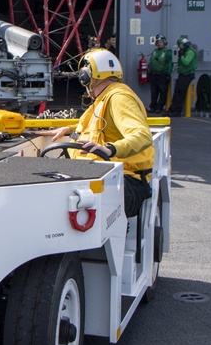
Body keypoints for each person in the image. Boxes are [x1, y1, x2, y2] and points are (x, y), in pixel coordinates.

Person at [43, 48, 154, 218]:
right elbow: (97, 126)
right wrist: (70, 130)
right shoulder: (103, 99)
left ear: (87, 76)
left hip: (125, 180)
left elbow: (142, 135)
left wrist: (111, 149)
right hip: (109, 174)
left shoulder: (118, 98)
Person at [167, 36, 198, 116]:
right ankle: (172, 109)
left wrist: (181, 56)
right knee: (177, 92)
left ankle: (176, 111)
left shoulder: (190, 52)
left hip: (187, 75)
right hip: (182, 74)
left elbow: (186, 62)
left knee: (180, 93)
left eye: (180, 45)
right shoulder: (186, 51)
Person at [147, 34, 172, 114]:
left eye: (161, 42)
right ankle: (153, 106)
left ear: (164, 42)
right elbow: (151, 63)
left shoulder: (167, 52)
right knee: (154, 92)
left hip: (162, 74)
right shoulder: (155, 51)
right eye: (158, 42)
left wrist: (168, 73)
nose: (159, 44)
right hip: (154, 74)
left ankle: (160, 107)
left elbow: (170, 63)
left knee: (163, 92)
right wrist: (149, 72)